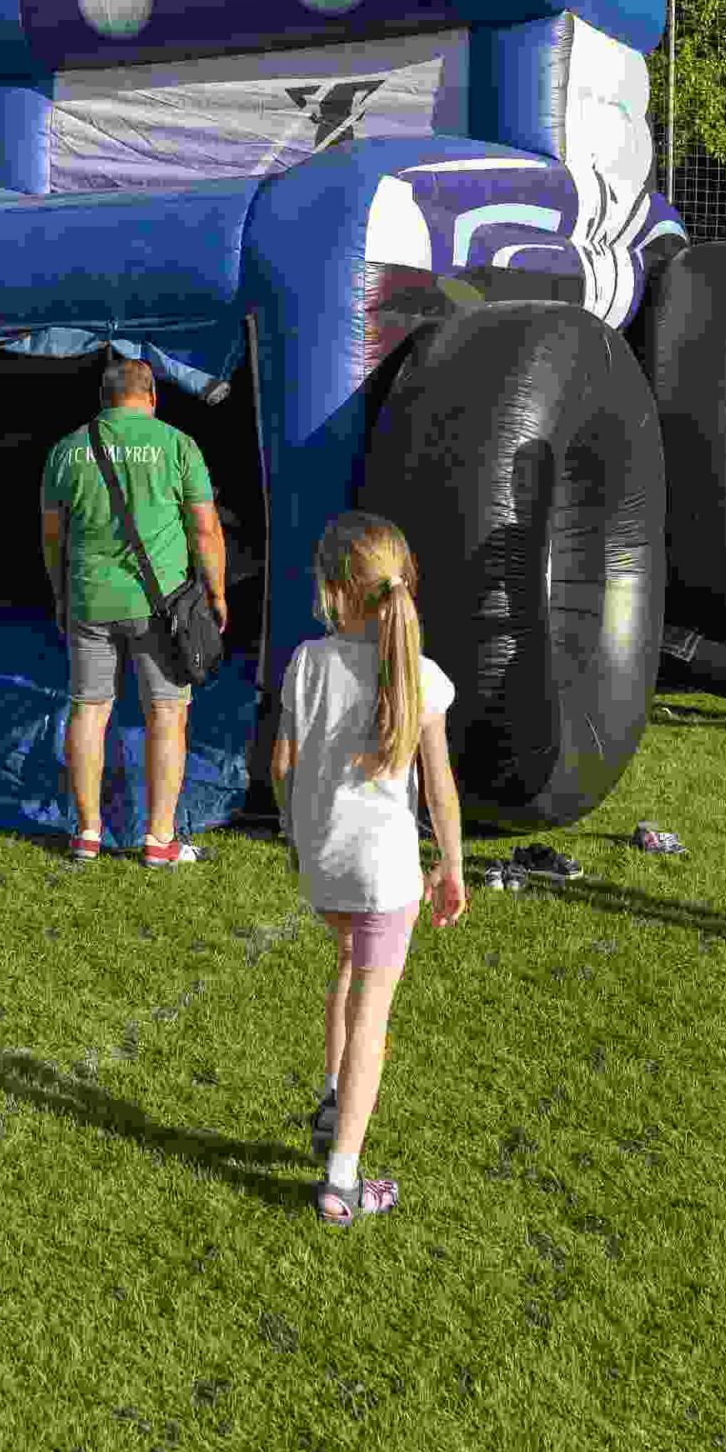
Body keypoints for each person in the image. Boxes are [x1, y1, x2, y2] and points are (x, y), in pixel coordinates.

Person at [268, 513, 467, 1226]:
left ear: (331, 591)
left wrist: (296, 836)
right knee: (371, 1017)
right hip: (385, 877)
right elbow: (439, 788)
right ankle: (342, 1181)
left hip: (323, 869)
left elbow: (282, 766)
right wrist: (452, 865)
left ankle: (330, 1099)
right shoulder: (422, 674)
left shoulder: (306, 662)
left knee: (347, 967)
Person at [39, 357, 228, 867]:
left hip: (89, 598)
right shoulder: (177, 445)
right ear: (151, 397)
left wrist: (60, 594)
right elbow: (205, 528)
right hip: (161, 606)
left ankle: (86, 832)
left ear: (103, 399)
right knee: (166, 714)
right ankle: (159, 838)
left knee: (88, 710)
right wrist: (216, 593)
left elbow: (52, 536)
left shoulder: (67, 450)